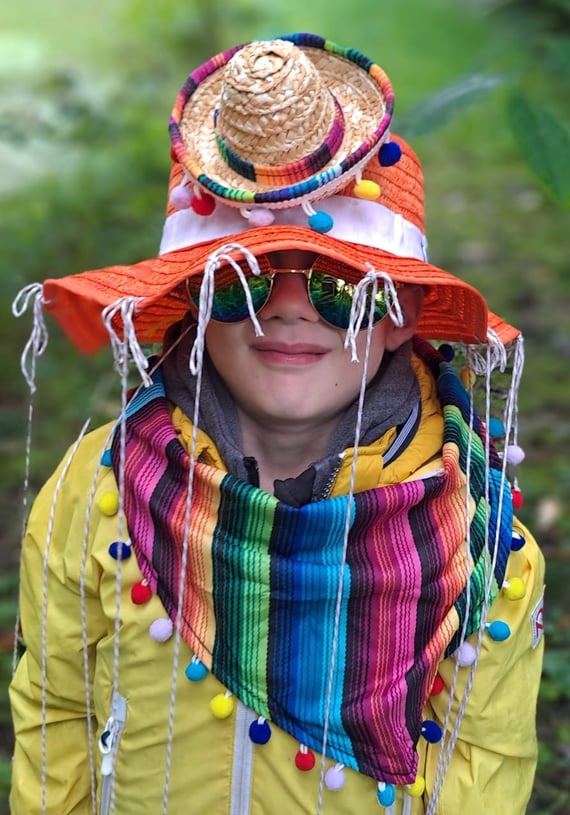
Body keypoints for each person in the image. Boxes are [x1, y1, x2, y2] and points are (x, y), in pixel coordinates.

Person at [9, 33, 544, 815]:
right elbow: (56, 718)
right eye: (246, 277)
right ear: (193, 297)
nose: (289, 305)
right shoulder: (98, 496)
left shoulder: (480, 542)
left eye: (334, 284)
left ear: (401, 315)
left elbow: (484, 771)